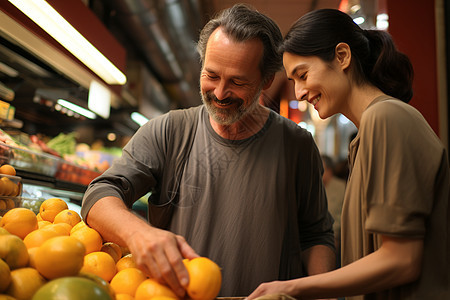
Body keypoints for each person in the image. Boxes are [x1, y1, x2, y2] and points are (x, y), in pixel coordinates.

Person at [81, 4, 336, 298]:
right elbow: (99, 193)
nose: (219, 93)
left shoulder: (297, 145)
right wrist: (138, 233)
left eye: (237, 81)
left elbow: (316, 235)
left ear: (266, 81)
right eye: (211, 75)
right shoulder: (167, 131)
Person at [248, 8, 449, 300]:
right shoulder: (367, 133)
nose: (300, 92)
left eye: (303, 75)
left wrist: (290, 287)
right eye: (293, 82)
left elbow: (401, 260)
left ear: (342, 56)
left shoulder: (387, 118)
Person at [321, 154, 346, 266]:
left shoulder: (340, 187)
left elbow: (339, 216)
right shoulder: (317, 187)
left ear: (329, 171)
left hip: (336, 239)